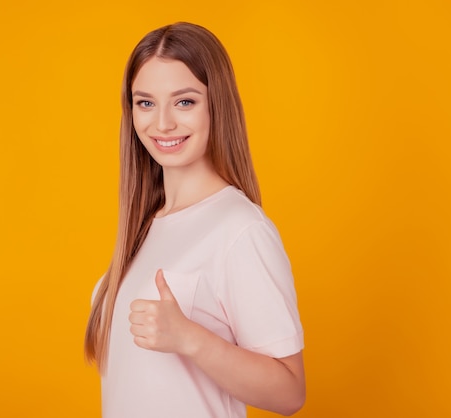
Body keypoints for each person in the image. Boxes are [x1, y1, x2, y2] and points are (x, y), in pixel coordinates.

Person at [84, 22, 305, 418]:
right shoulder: (146, 227)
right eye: (145, 103)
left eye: (184, 102)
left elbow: (289, 392)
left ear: (216, 104)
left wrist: (190, 339)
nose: (163, 123)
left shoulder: (240, 229)